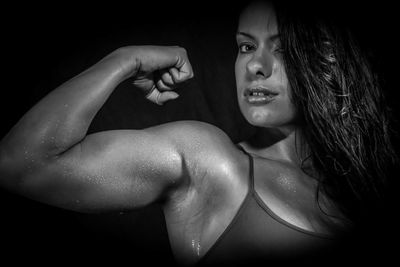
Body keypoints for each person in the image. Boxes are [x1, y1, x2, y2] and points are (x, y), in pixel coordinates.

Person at [0, 0, 397, 265]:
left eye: (281, 47)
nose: (255, 66)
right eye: (245, 46)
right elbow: (22, 163)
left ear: (327, 58)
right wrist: (123, 61)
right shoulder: (210, 162)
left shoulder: (362, 187)